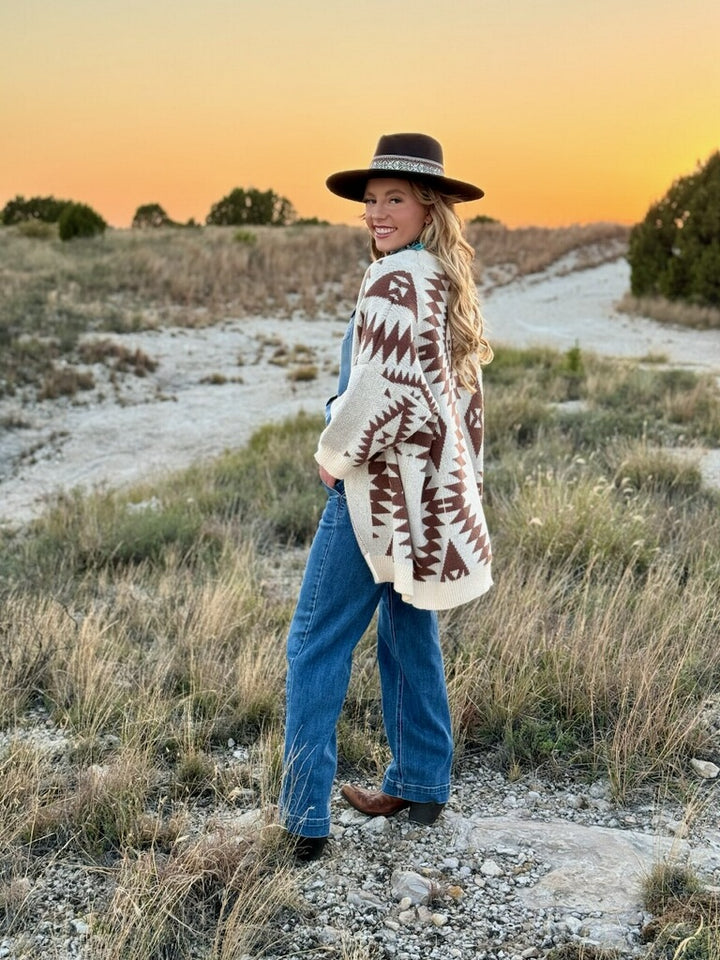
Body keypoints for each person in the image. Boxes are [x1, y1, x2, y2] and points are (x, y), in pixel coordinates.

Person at [279, 133, 493, 862]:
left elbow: (379, 391)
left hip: (376, 491)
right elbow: (463, 400)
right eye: (371, 202)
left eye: (393, 199)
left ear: (429, 204)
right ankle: (423, 781)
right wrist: (456, 486)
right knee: (408, 632)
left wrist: (334, 457)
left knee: (313, 643)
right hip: (423, 494)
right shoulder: (439, 275)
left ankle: (303, 819)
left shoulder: (395, 278)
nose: (376, 213)